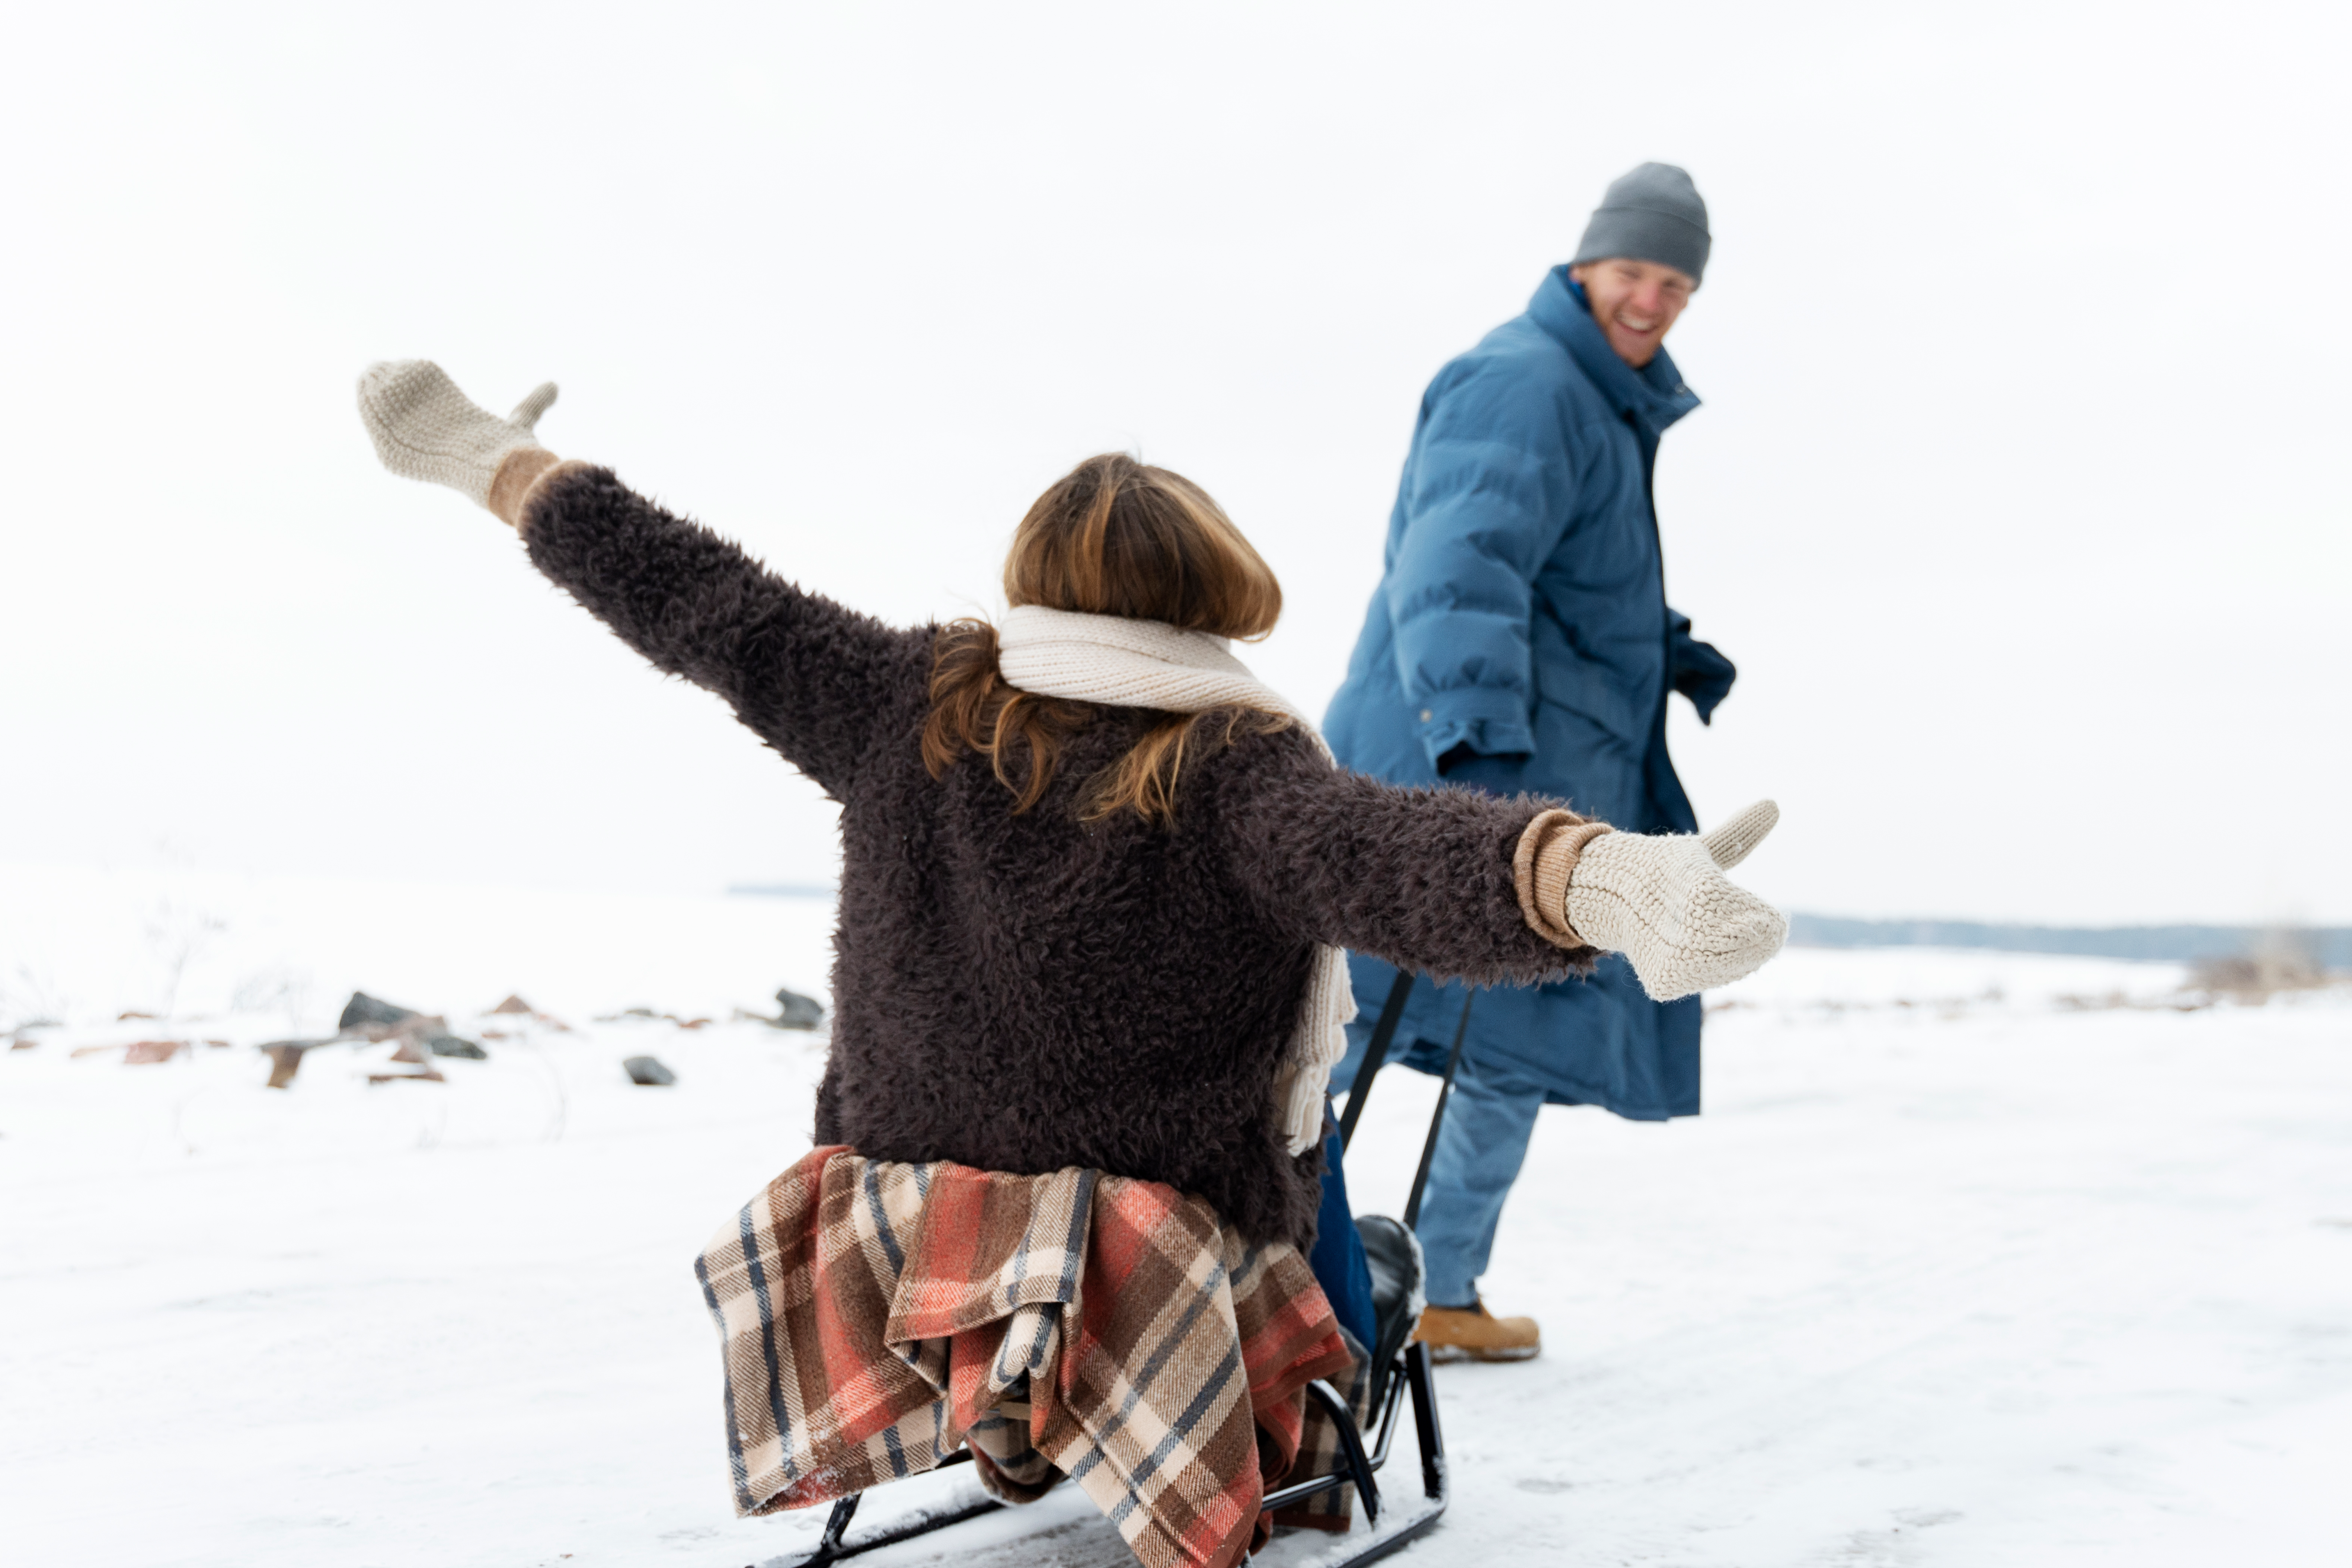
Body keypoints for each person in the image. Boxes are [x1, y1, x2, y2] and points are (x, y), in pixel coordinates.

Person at [355, 358, 1781, 1407]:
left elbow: (696, 600)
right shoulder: (1233, 763)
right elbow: (1389, 859)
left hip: (904, 1216)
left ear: (1036, 581)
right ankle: (1332, 1377)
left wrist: (499, 463)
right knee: (1319, 1160)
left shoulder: (899, 699)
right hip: (1151, 1241)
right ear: (1218, 596)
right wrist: (1593, 877)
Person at [1323, 162, 1746, 1361]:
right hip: (1455, 768)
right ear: (1584, 265)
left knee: (1510, 1034)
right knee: (1342, 1023)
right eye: (1634, 273)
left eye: (1676, 282)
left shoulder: (1597, 402)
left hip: (1533, 774)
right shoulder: (1526, 383)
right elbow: (1460, 566)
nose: (1653, 300)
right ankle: (1258, 1266)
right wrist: (1473, 744)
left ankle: (1442, 1283)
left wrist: (1668, 651)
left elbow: (1570, 584)